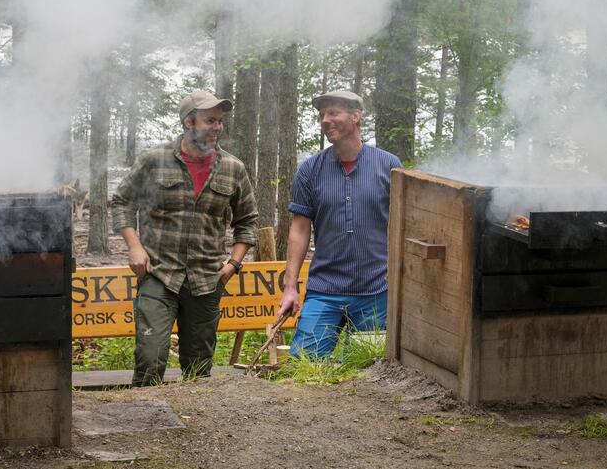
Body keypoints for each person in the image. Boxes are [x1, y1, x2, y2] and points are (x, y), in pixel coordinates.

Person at [110, 90, 258, 385]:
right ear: (189, 122)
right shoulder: (155, 160)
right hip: (159, 274)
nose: (217, 127)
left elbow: (248, 221)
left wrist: (233, 265)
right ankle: (146, 424)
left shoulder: (233, 168)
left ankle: (196, 429)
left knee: (199, 372)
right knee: (150, 360)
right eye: (210, 121)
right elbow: (121, 202)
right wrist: (135, 247)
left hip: (206, 280)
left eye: (220, 121)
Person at [276, 90, 402, 357]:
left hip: (375, 290)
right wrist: (290, 287)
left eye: (333, 113)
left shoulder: (389, 165)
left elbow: (402, 225)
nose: (325, 120)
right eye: (322, 115)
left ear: (356, 116)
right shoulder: (309, 170)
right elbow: (299, 230)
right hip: (325, 290)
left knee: (371, 372)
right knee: (302, 367)